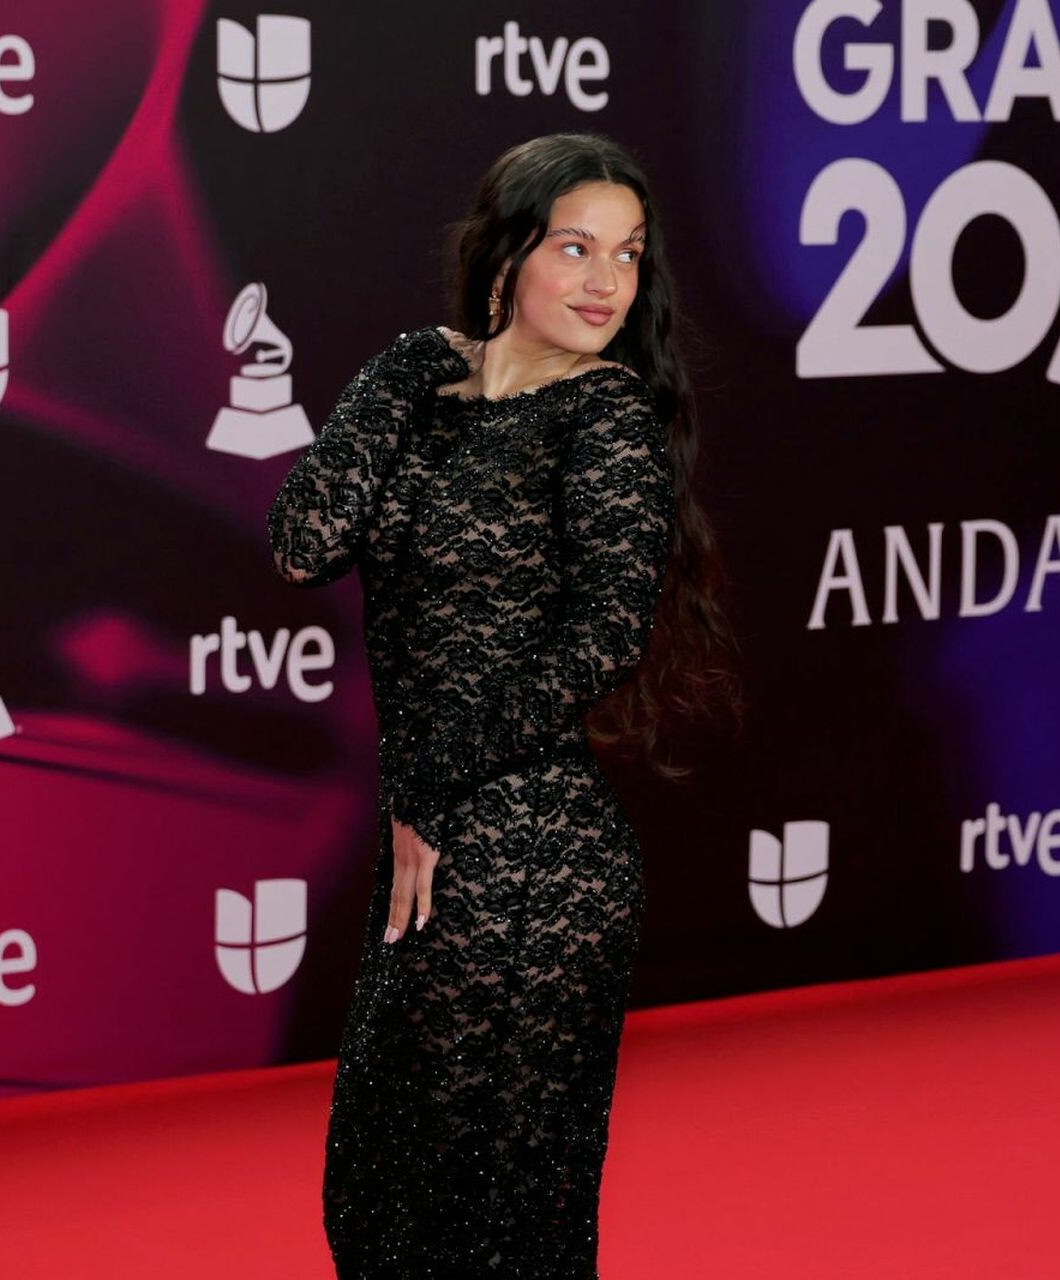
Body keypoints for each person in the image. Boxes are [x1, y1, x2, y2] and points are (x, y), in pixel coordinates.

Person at [267, 132, 743, 1278]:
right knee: (373, 1199)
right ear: (505, 254)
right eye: (575, 247)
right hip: (431, 845)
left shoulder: (606, 413)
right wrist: (398, 372)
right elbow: (302, 543)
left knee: (491, 1225)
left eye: (628, 253)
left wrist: (432, 780)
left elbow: (603, 636)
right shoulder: (419, 393)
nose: (605, 281)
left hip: (534, 852)